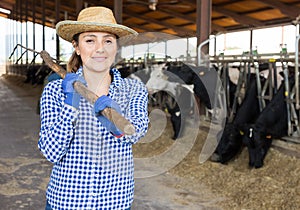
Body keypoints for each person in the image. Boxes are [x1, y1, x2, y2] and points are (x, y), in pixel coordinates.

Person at [38, 6, 149, 210]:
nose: (100, 48)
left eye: (108, 40)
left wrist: (119, 126)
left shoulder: (133, 89)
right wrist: (70, 108)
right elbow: (51, 152)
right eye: (90, 40)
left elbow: (138, 131)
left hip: (115, 201)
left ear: (116, 47)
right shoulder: (55, 91)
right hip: (67, 202)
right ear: (77, 47)